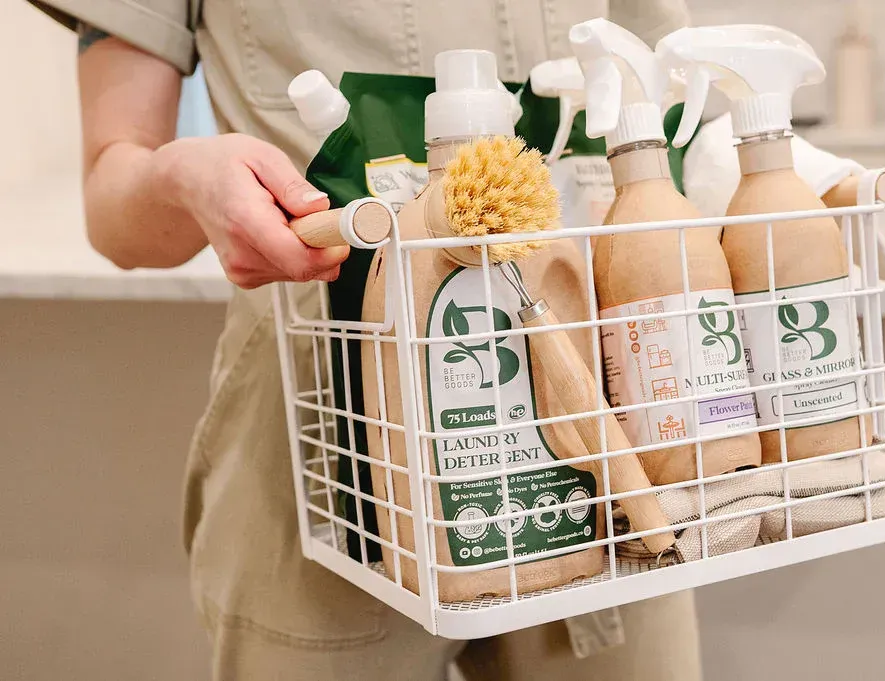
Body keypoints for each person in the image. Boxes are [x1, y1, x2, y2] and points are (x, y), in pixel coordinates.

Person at [29, 1, 702, 680]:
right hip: (317, 457)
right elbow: (114, 197)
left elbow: (671, 104)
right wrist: (182, 178)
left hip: (591, 452)